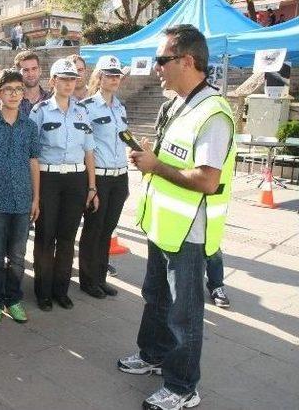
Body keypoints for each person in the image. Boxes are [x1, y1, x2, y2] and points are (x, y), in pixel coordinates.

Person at [118, 24, 235, 410]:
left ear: (187, 60)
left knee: (184, 314)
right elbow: (177, 160)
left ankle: (183, 387)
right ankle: (152, 355)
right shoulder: (178, 104)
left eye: (162, 60)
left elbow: (206, 179)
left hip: (189, 232)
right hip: (163, 224)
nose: (156, 68)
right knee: (155, 297)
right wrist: (153, 156)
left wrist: (155, 165)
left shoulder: (213, 113)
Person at [28, 58, 97, 312]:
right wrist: (34, 192)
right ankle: (43, 291)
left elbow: (89, 151)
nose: (69, 84)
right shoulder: (40, 111)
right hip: (49, 179)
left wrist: (92, 186)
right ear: (52, 81)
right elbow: (32, 154)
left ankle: (61, 290)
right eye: (64, 79)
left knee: (68, 238)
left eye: (72, 79)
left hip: (76, 180)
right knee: (46, 237)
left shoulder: (82, 111)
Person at [0, 68, 40, 326]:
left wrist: (36, 199)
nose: (14, 94)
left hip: (23, 202)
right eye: (8, 89)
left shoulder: (30, 125)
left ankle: (13, 299)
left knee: (17, 256)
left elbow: (34, 161)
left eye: (18, 89)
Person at [77, 55, 129, 299]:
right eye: (110, 74)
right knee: (93, 230)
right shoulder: (86, 107)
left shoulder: (120, 107)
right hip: (99, 176)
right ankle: (88, 280)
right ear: (99, 77)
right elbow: (85, 148)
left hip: (120, 176)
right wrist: (92, 186)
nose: (115, 79)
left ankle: (100, 278)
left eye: (117, 75)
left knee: (107, 230)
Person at [14, 50, 51, 117]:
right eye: (26, 70)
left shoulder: (51, 99)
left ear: (40, 70)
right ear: (18, 73)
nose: (31, 74)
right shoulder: (13, 101)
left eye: (34, 69)